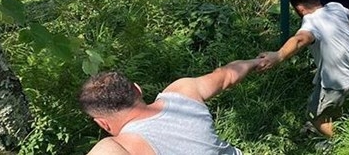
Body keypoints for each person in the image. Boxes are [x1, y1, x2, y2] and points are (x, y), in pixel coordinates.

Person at [79, 59, 262, 155]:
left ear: (102, 123)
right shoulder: (182, 92)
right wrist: (257, 61)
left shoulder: (121, 146)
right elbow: (227, 76)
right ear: (137, 89)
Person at [257, 0, 349, 138]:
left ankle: (345, 141)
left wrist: (277, 56)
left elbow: (300, 39)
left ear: (299, 9)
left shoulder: (310, 22)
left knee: (314, 116)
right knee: (328, 103)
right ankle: (334, 116)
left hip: (336, 83)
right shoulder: (336, 7)